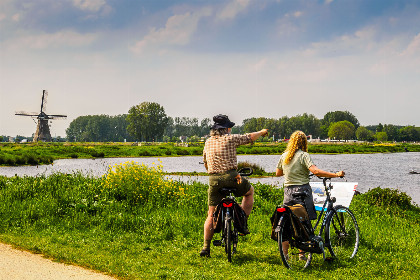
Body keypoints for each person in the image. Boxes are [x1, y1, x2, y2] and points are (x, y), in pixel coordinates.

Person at [200, 114, 268, 257]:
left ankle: (206, 247)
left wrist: (213, 172)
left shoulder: (208, 142)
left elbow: (206, 163)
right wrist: (262, 132)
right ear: (226, 129)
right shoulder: (230, 139)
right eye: (229, 127)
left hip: (213, 180)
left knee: (211, 214)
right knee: (249, 192)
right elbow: (248, 137)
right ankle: (242, 222)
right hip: (232, 177)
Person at [275, 130, 345, 260]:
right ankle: (302, 254)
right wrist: (336, 174)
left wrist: (292, 172)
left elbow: (278, 173)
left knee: (289, 222)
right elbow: (316, 171)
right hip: (302, 191)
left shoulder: (284, 156)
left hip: (288, 192)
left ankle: (285, 255)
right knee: (304, 221)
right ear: (304, 142)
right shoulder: (303, 155)